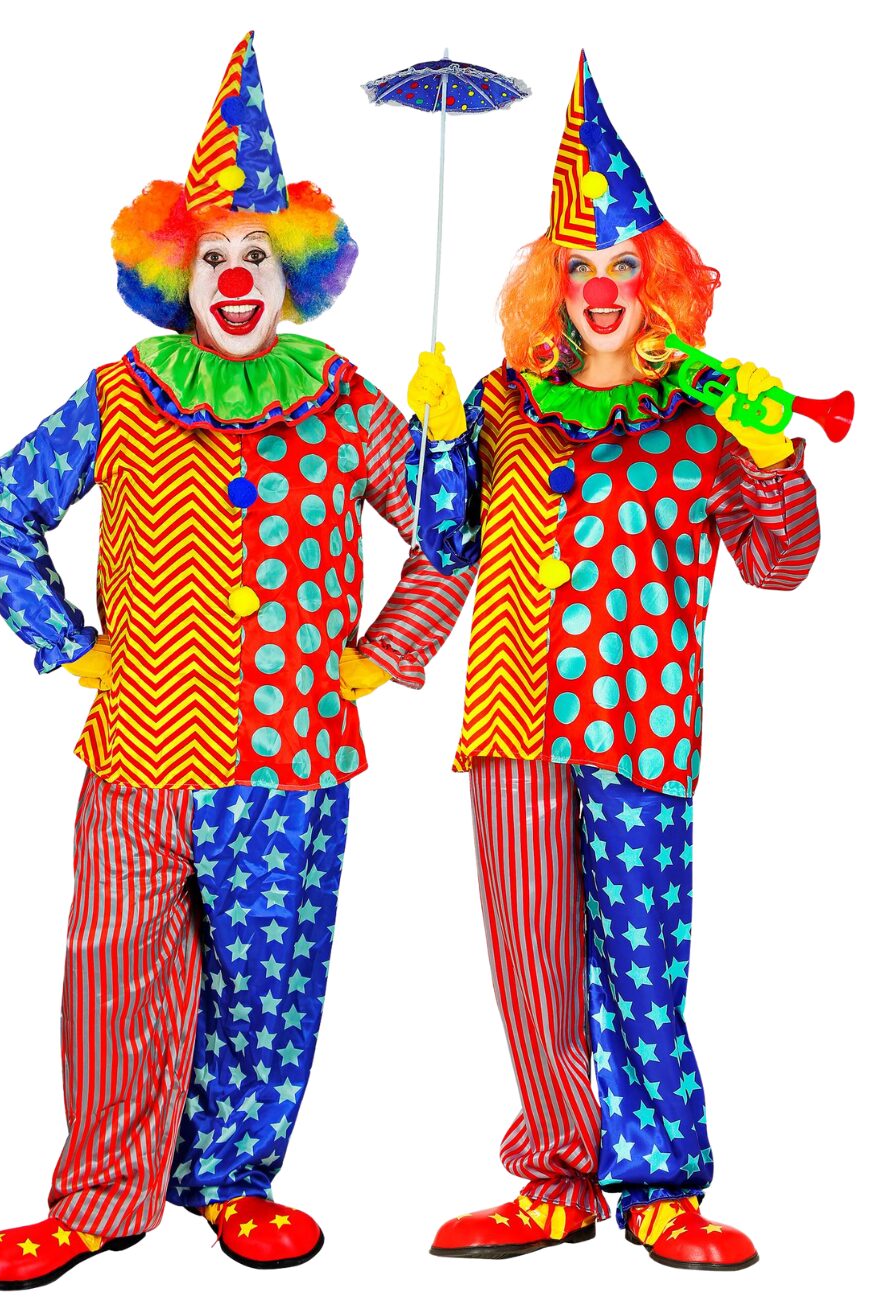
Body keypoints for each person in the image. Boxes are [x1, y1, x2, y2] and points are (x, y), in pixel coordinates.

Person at [0, 31, 472, 1290]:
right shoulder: (123, 392)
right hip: (138, 749)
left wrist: (389, 641)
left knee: (267, 979)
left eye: (258, 256)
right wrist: (66, 644)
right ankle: (101, 1193)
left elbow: (445, 534)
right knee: (114, 972)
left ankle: (232, 1177)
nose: (235, 277)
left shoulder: (344, 398)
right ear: (173, 272)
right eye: (213, 256)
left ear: (292, 275)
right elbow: (0, 507)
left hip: (291, 756)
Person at [409, 51, 819, 1271]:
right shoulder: (501, 401)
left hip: (639, 725)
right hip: (513, 720)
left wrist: (775, 455)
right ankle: (555, 1176)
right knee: (535, 966)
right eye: (579, 267)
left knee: (641, 958)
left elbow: (780, 563)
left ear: (661, 282)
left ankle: (661, 1183)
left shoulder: (702, 416)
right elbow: (448, 543)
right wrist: (440, 438)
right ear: (554, 283)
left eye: (623, 266)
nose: (600, 288)